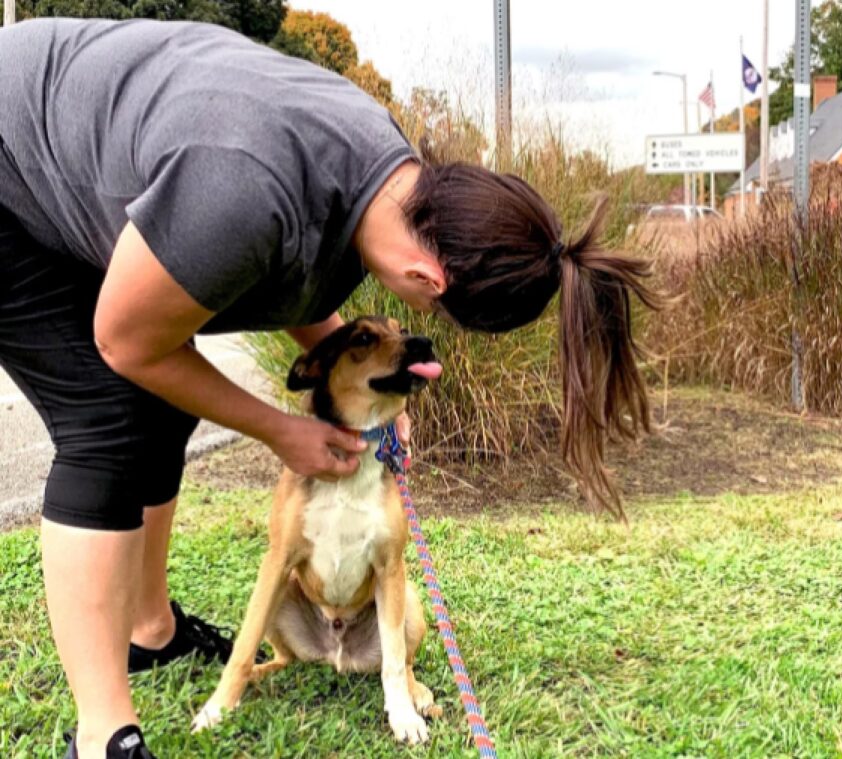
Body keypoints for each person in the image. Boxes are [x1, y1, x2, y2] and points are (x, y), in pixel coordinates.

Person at [0, 17, 662, 759]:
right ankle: (102, 737)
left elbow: (301, 264)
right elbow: (127, 340)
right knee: (109, 415)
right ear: (429, 279)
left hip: (112, 162)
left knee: (162, 408)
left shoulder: (388, 177)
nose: (413, 323)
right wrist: (281, 429)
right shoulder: (244, 190)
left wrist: (369, 384)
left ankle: (148, 631)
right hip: (12, 162)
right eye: (427, 313)